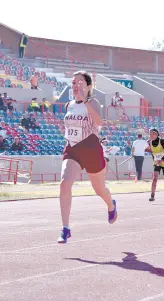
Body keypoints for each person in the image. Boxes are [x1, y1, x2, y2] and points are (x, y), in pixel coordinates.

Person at [58, 70, 117, 244]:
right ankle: (65, 228)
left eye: (80, 82)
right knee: (64, 183)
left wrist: (85, 100)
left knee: (100, 190)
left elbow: (99, 122)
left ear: (89, 86)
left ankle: (111, 205)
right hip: (73, 149)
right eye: (74, 82)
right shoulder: (69, 105)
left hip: (91, 149)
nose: (76, 85)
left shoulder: (93, 102)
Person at [148, 129, 164, 202]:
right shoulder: (150, 143)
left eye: (152, 134)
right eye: (150, 134)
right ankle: (152, 195)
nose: (151, 135)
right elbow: (152, 153)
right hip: (157, 163)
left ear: (156, 134)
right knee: (155, 178)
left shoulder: (161, 141)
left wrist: (162, 160)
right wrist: (155, 162)